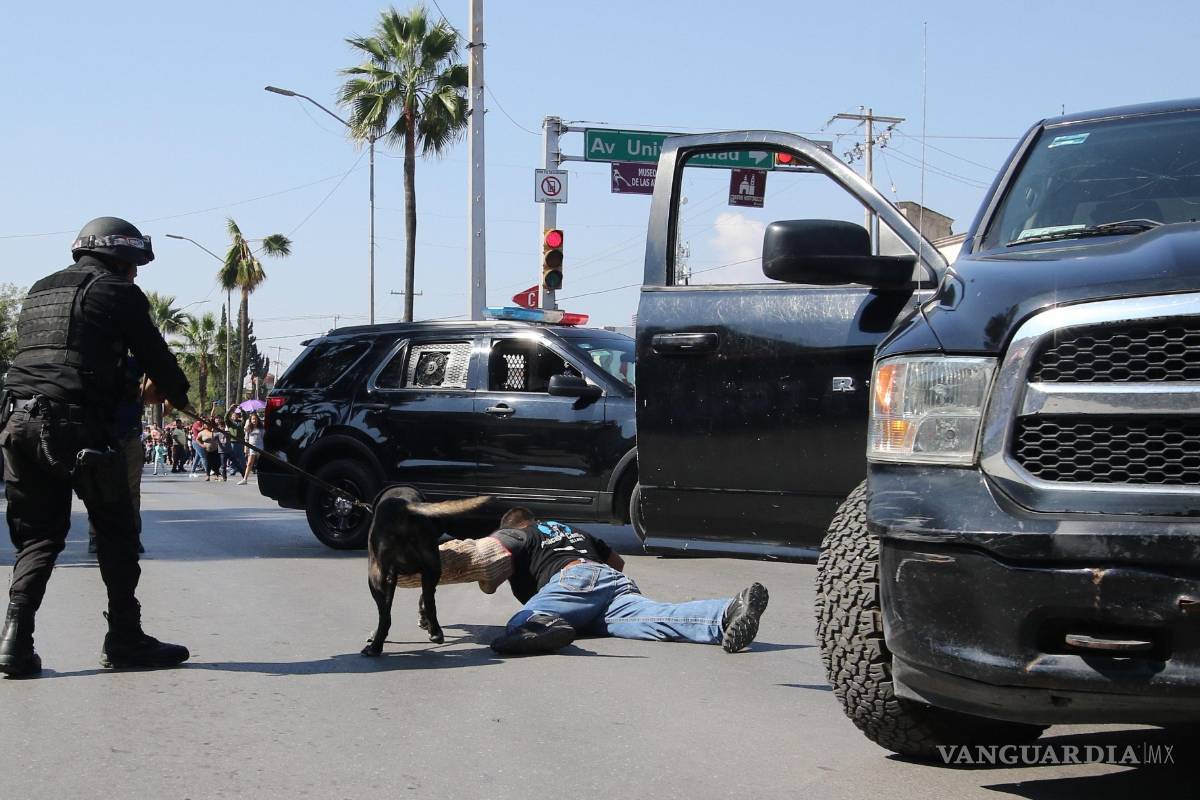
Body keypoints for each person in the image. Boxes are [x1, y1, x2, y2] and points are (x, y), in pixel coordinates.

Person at [0, 216, 193, 677]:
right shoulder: (116, 291)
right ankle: (126, 638)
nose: (136, 274)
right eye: (134, 265)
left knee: (40, 536)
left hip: (16, 422)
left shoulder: (40, 289)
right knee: (117, 533)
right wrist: (180, 395)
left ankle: (14, 641)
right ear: (121, 259)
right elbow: (155, 355)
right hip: (75, 428)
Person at [487, 508, 769, 655]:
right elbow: (617, 563)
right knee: (657, 618)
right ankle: (727, 612)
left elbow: (486, 567)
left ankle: (545, 625)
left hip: (574, 579)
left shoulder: (521, 534)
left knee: (521, 622)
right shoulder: (570, 528)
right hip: (610, 582)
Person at [237, 412, 263, 485]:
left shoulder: (261, 428)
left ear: (258, 420)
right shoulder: (248, 429)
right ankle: (245, 479)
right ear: (250, 420)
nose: (254, 420)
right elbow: (246, 439)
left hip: (260, 448)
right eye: (253, 419)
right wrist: (246, 448)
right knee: (249, 463)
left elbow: (264, 438)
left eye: (255, 419)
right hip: (251, 447)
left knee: (260, 464)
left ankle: (260, 479)